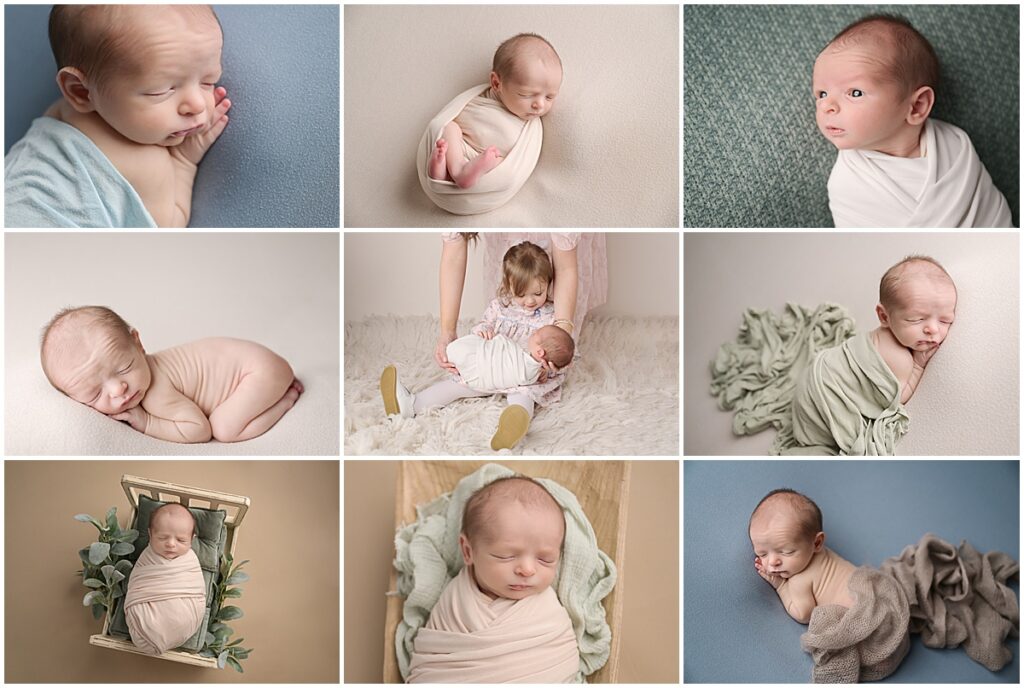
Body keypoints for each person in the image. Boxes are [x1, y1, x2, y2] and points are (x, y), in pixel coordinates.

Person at [5, 5, 231, 227]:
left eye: (208, 81)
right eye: (160, 91)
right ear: (80, 91)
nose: (198, 104)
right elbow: (169, 229)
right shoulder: (150, 168)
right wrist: (184, 162)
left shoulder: (60, 111)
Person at [813, 14, 1012, 227]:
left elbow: (991, 216)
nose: (827, 106)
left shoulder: (956, 145)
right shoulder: (847, 185)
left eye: (855, 93)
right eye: (822, 94)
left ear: (917, 106)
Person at [382, 241, 578, 450]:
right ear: (508, 286)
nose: (530, 301)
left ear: (549, 284)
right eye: (521, 295)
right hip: (490, 367)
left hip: (521, 377)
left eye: (538, 293)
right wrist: (484, 330)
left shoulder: (551, 314)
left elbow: (557, 350)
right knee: (459, 384)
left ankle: (515, 421)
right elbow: (484, 325)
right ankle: (412, 404)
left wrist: (546, 370)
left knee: (524, 394)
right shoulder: (499, 307)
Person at [40, 306, 302, 443]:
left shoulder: (156, 394)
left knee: (223, 428)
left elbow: (199, 430)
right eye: (94, 393)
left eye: (124, 368)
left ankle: (285, 400)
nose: (118, 389)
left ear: (139, 345)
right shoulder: (140, 381)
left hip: (259, 372)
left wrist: (146, 423)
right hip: (257, 364)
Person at [407, 477, 579, 683]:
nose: (527, 569)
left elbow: (562, 659)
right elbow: (433, 664)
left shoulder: (548, 613)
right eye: (506, 556)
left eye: (545, 559)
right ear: (467, 550)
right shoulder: (454, 602)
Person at [427, 34, 562, 189]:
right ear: (497, 83)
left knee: (506, 167)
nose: (539, 104)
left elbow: (519, 166)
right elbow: (456, 116)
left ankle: (456, 172)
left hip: (492, 161)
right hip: (463, 147)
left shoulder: (531, 131)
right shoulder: (481, 99)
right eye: (527, 95)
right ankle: (450, 170)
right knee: (448, 128)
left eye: (550, 97)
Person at [124, 503, 206, 655]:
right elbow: (138, 585)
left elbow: (196, 589)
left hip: (186, 620)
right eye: (162, 537)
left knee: (185, 613)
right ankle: (150, 632)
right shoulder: (147, 558)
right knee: (141, 616)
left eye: (181, 540)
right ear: (150, 534)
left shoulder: (190, 561)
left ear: (192, 539)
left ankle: (169, 631)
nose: (171, 544)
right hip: (145, 628)